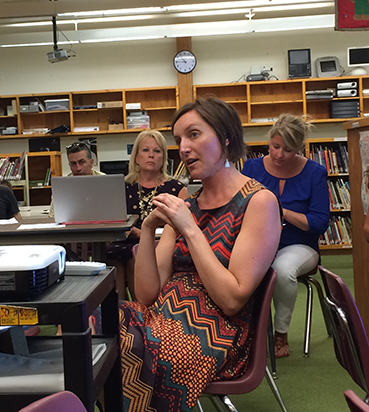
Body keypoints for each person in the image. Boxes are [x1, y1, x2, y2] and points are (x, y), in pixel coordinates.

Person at [119, 98, 281, 412]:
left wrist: (189, 230)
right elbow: (146, 294)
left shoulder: (259, 202)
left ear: (226, 138)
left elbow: (232, 300)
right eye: (178, 139)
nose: (183, 148)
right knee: (92, 324)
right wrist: (152, 227)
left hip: (214, 333)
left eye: (194, 135)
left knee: (123, 348)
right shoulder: (188, 205)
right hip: (161, 320)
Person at [242, 113, 330, 358]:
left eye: (288, 150)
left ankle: (280, 332)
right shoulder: (251, 168)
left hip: (301, 245)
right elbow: (239, 207)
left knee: (282, 269)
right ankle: (241, 334)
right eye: (275, 146)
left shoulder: (315, 172)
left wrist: (282, 211)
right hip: (260, 243)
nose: (279, 154)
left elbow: (319, 223)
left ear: (300, 148)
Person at [106, 130, 187, 300]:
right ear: (136, 157)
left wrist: (138, 233)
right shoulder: (120, 187)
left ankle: (142, 313)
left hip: (158, 246)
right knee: (111, 266)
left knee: (134, 260)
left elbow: (181, 231)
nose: (151, 155)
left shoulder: (177, 189)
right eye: (145, 150)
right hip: (122, 244)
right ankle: (118, 316)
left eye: (157, 151)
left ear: (163, 158)